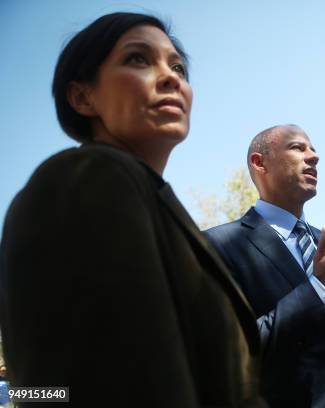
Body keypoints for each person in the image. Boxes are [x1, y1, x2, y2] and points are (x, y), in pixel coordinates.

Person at [0, 13, 265, 408]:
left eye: (178, 66)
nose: (172, 77)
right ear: (82, 97)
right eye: (138, 59)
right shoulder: (86, 178)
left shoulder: (152, 204)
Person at [204, 125, 325, 408]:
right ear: (259, 162)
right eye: (298, 147)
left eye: (313, 149)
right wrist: (319, 294)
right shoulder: (217, 246)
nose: (314, 156)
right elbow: (229, 352)